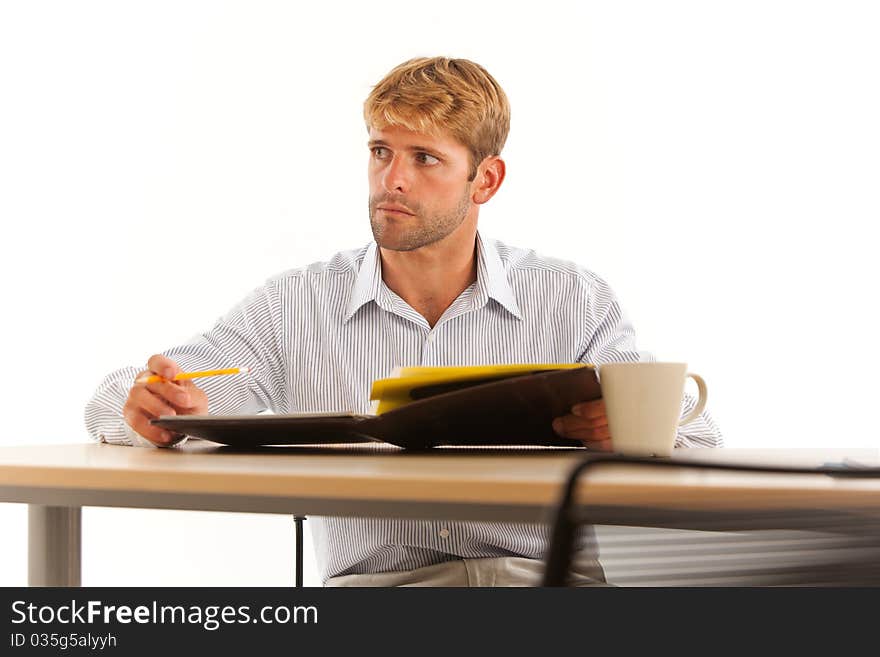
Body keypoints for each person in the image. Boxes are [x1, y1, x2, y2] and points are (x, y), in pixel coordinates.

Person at [85, 56, 722, 586]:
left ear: (486, 181)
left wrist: (638, 432)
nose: (392, 180)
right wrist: (149, 402)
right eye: (381, 151)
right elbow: (125, 400)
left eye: (424, 158)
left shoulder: (570, 298)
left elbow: (699, 441)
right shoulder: (296, 306)